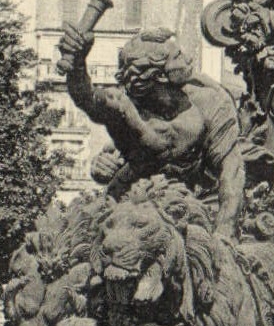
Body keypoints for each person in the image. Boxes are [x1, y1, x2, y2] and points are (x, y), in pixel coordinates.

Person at [59, 25, 245, 236]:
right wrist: (77, 65)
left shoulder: (210, 102)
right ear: (162, 76)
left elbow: (232, 172)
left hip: (198, 203)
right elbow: (87, 98)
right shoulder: (125, 108)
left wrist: (223, 234)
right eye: (179, 56)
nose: (189, 59)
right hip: (132, 205)